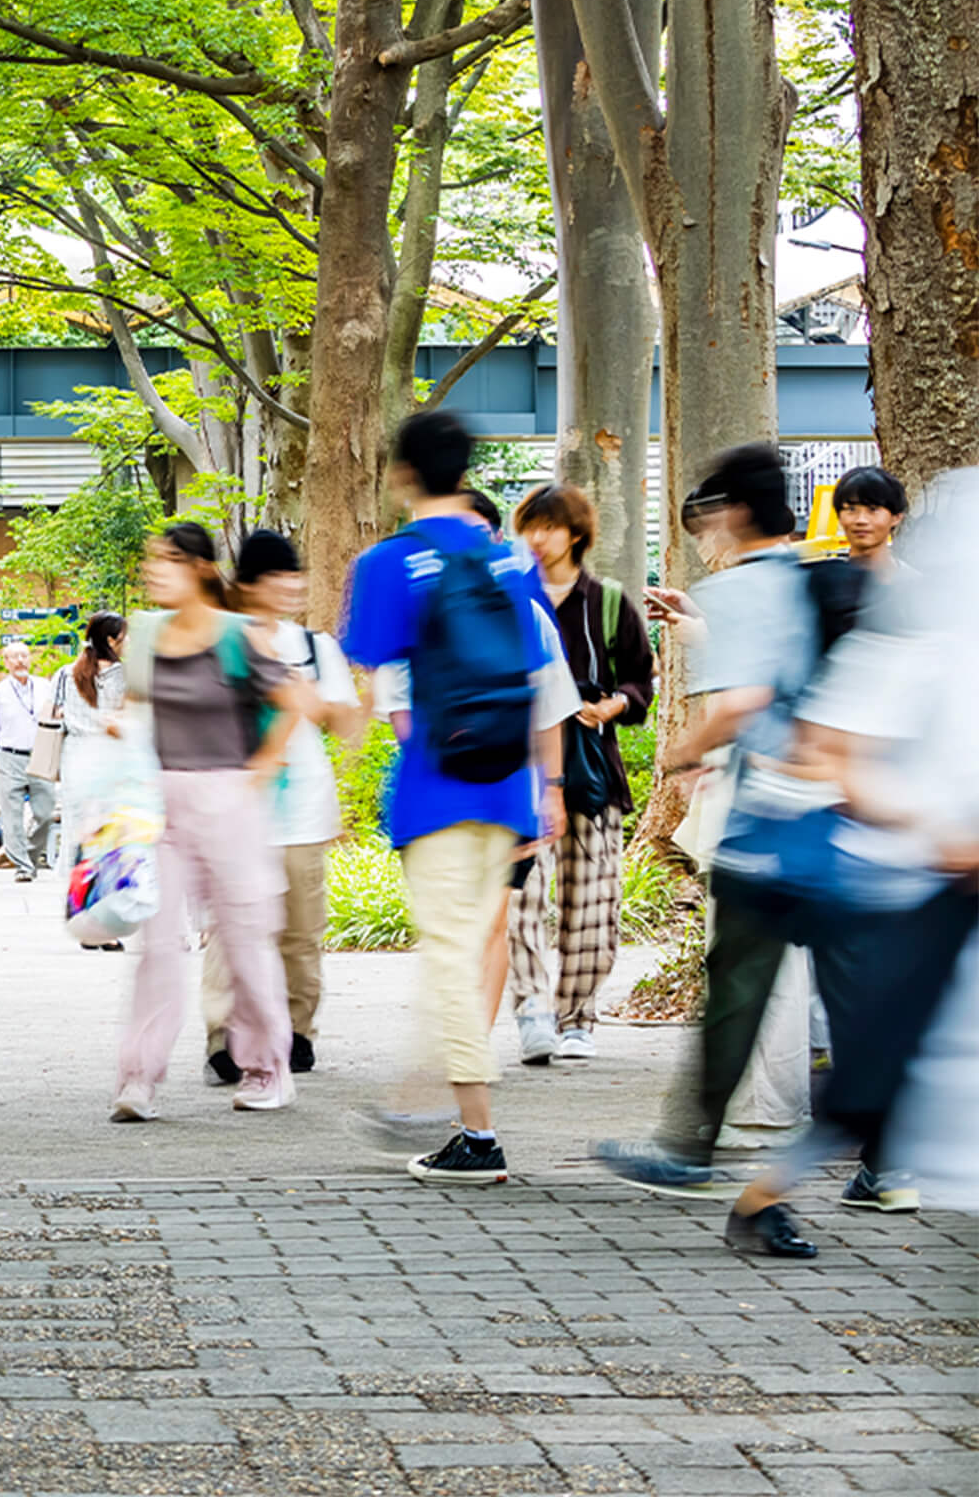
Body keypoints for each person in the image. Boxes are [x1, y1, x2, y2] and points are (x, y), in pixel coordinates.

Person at [591, 445, 920, 1240]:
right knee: (853, 1005)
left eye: (704, 516)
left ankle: (698, 1154)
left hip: (773, 825)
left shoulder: (737, 587)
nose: (703, 533)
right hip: (845, 820)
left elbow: (745, 696)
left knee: (735, 995)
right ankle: (876, 1167)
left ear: (731, 515)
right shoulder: (825, 577)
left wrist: (681, 754)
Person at [339, 411, 557, 1185]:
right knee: (464, 951)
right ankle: (440, 1102)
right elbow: (536, 678)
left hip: (435, 787)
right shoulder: (508, 559)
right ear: (467, 469)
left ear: (402, 474)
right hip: (506, 786)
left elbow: (371, 663)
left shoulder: (388, 563)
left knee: (451, 957)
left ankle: (479, 1134)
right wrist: (544, 789)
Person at [112, 524, 317, 1121]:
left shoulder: (237, 635)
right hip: (160, 799)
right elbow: (134, 710)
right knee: (155, 942)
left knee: (246, 937)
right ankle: (138, 1079)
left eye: (170, 561)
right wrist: (118, 739)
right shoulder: (146, 635)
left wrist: (259, 770)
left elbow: (290, 705)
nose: (157, 571)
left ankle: (267, 1069)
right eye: (153, 560)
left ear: (202, 568)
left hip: (229, 798)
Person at [201, 530, 362, 1083]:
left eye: (295, 577)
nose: (289, 587)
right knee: (229, 929)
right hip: (236, 807)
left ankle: (297, 1032)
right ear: (247, 586)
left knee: (299, 931)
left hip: (303, 812)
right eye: (276, 577)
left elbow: (349, 728)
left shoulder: (317, 648)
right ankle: (223, 1038)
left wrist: (312, 700)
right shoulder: (221, 642)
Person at [507, 485, 655, 1066]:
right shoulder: (506, 599)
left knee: (592, 902)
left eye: (549, 527)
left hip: (592, 768)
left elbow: (642, 680)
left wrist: (615, 704)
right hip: (520, 768)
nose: (538, 539)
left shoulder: (609, 602)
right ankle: (532, 1012)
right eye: (530, 527)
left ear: (576, 534)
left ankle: (577, 1018)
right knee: (520, 899)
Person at [54, 613, 127, 873]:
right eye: (123, 636)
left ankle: (73, 882)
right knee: (108, 822)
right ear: (110, 640)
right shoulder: (121, 676)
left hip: (74, 754)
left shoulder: (65, 673)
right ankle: (104, 880)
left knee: (74, 824)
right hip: (109, 754)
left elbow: (54, 712)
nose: (126, 641)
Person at [0, 640, 60, 879]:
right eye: (14, 657)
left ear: (30, 659)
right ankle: (23, 866)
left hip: (40, 756)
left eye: (24, 656)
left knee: (45, 811)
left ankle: (30, 855)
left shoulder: (45, 687)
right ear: (5, 662)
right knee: (11, 815)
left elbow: (57, 718)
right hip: (9, 757)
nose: (20, 661)